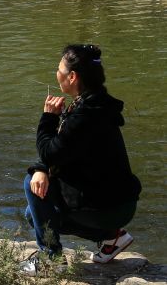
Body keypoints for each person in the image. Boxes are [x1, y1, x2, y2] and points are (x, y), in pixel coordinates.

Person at [21, 44, 141, 274]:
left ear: (73, 76)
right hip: (121, 204)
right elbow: (61, 152)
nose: (56, 74)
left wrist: (48, 117)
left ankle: (51, 260)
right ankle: (113, 237)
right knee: (33, 212)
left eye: (59, 69)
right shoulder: (97, 105)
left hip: (107, 209)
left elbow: (51, 152)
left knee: (31, 185)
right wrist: (42, 167)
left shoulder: (84, 117)